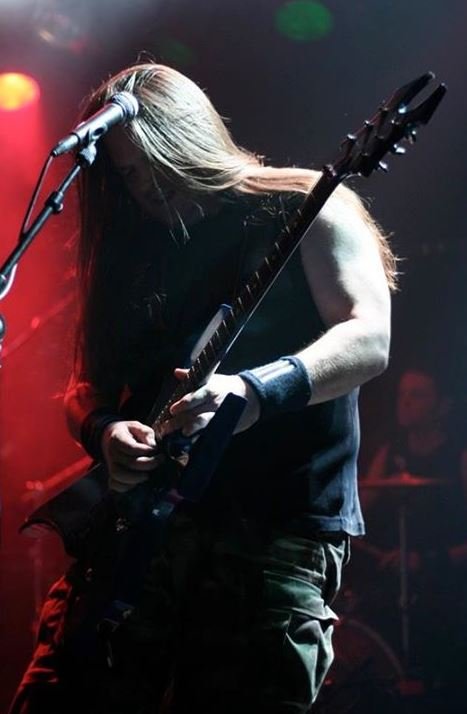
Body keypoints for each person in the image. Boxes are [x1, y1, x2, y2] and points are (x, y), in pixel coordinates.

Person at [9, 61, 394, 714]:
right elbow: (85, 385)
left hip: (271, 533)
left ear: (188, 138)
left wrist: (253, 392)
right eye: (129, 176)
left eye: (152, 166)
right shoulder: (130, 249)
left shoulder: (305, 206)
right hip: (139, 529)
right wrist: (104, 431)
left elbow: (367, 337)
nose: (145, 189)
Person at [357, 366, 467, 705]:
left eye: (417, 395)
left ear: (442, 406)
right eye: (402, 394)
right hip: (394, 579)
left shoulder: (458, 455)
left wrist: (428, 560)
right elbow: (358, 508)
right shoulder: (390, 451)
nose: (404, 402)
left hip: (446, 582)